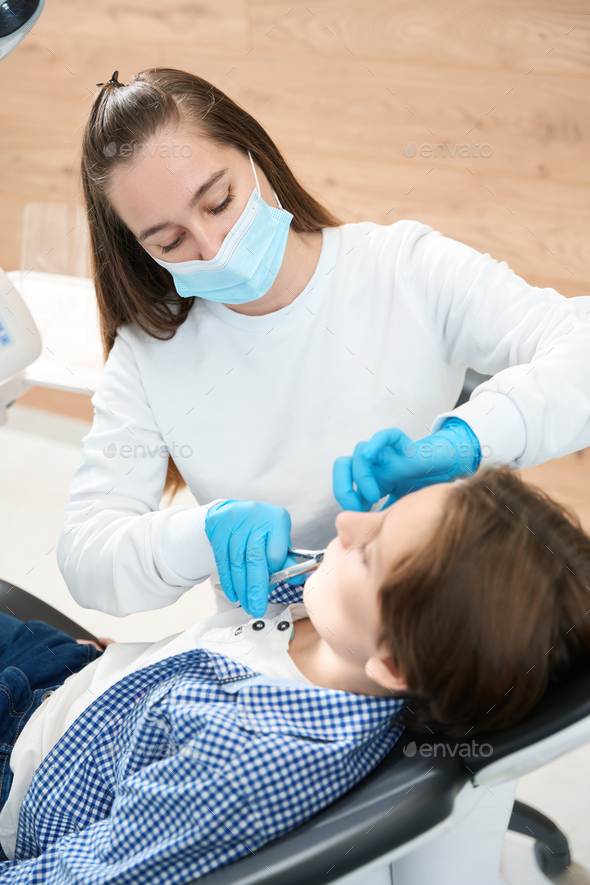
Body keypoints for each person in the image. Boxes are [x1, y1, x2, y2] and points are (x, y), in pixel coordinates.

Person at [56, 66, 590, 621]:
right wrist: (200, 536)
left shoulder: (402, 268)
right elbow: (86, 557)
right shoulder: (149, 352)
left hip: (433, 616)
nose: (213, 247)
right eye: (170, 240)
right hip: (268, 644)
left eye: (219, 202)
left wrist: (465, 440)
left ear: (256, 158)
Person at [3, 466, 590, 882]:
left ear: (392, 665)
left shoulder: (245, 767)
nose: (350, 523)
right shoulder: (345, 627)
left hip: (23, 769)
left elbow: (82, 876)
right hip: (82, 684)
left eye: (369, 549)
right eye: (385, 513)